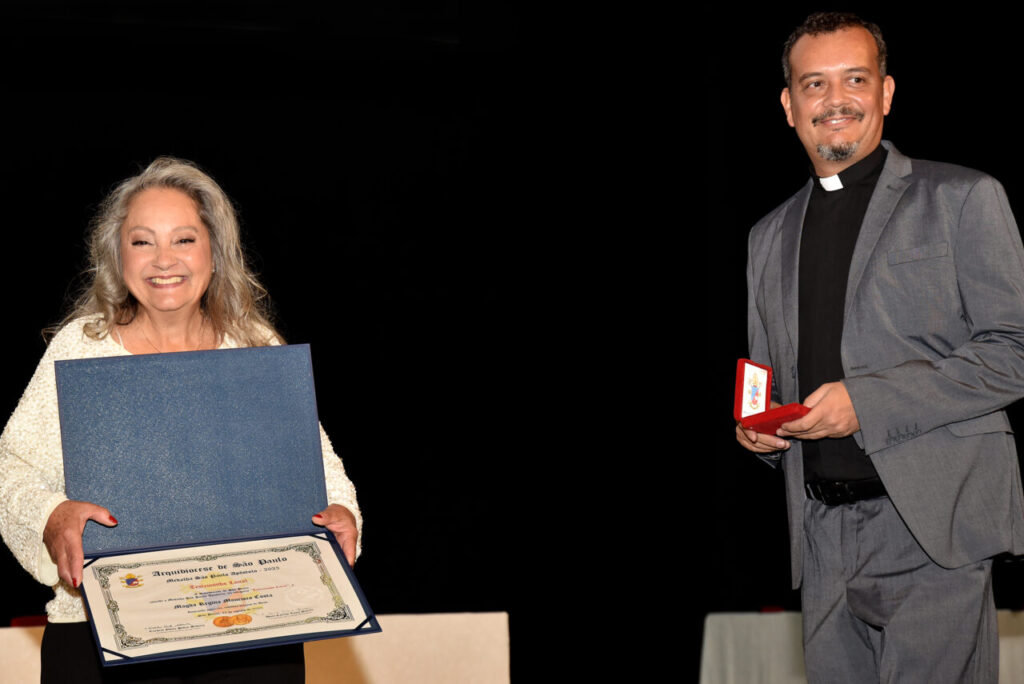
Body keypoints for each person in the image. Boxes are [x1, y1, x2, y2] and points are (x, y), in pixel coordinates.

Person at [736, 12, 1024, 682]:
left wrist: (866, 403)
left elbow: (1015, 349)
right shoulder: (767, 236)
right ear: (789, 106)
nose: (835, 99)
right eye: (814, 84)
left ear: (887, 93)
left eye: (855, 79)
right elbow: (770, 382)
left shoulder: (963, 197)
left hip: (932, 529)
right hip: (821, 538)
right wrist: (762, 431)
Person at [0, 157, 362, 683]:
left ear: (215, 251)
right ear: (117, 255)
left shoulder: (254, 347)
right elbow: (11, 470)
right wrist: (50, 516)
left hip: (251, 629)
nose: (163, 260)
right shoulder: (80, 348)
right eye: (142, 241)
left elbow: (318, 468)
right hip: (101, 634)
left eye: (184, 239)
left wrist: (342, 513)